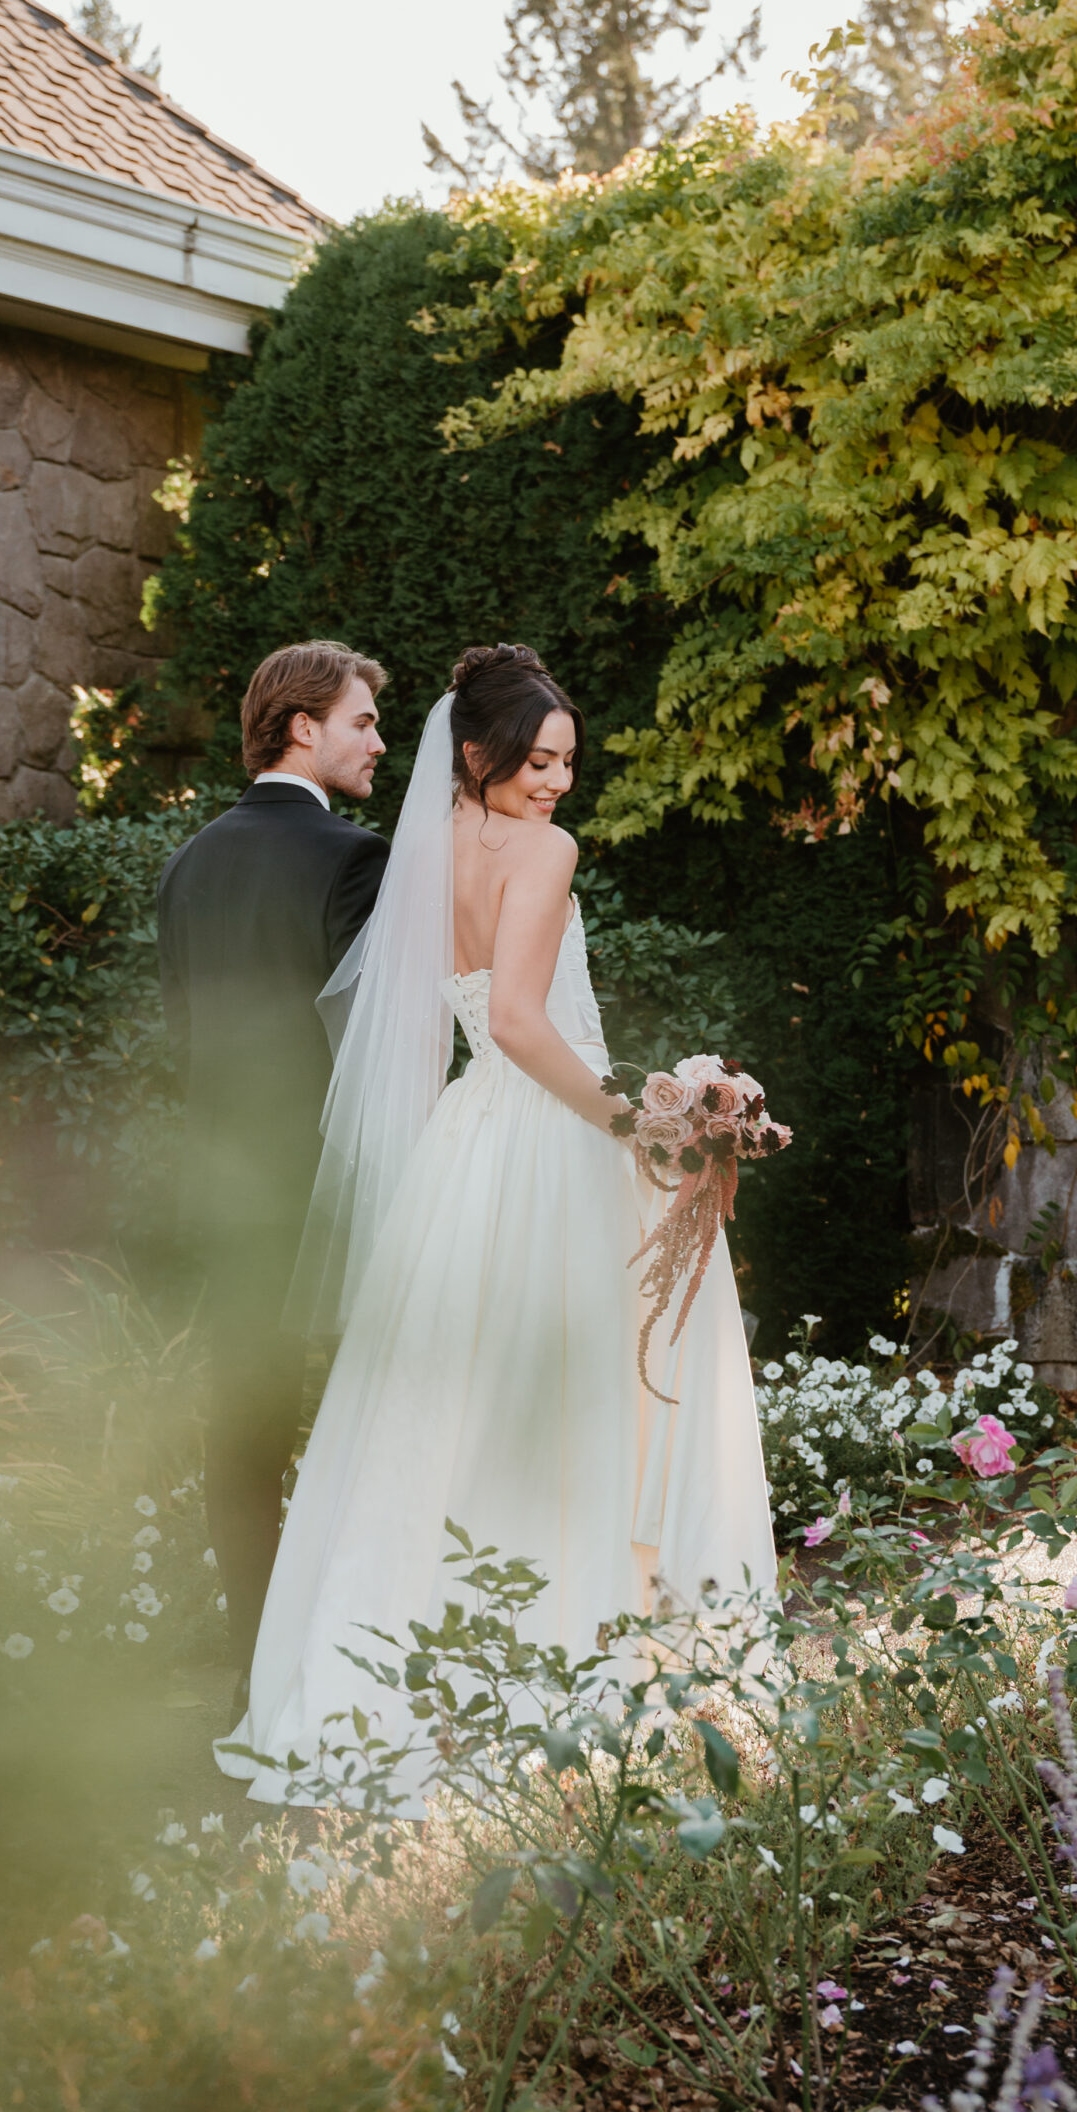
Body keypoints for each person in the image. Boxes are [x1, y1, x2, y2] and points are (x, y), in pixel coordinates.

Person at [215, 644, 774, 1814]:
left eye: (569, 762)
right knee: (556, 1402)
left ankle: (375, 1687)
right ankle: (548, 1684)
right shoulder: (544, 853)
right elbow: (520, 1022)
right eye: (538, 758)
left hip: (460, 1149)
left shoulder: (431, 849)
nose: (559, 781)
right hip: (532, 1142)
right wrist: (637, 1119)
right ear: (478, 752)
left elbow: (458, 1023)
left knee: (432, 1413)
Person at [157, 641, 389, 1679]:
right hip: (333, 1195)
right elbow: (371, 1052)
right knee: (364, 1424)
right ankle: (348, 1653)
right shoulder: (352, 857)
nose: (379, 741)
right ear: (304, 727)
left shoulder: (187, 863)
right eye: (363, 722)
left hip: (223, 1196)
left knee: (240, 1431)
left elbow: (184, 1046)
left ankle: (259, 1660)